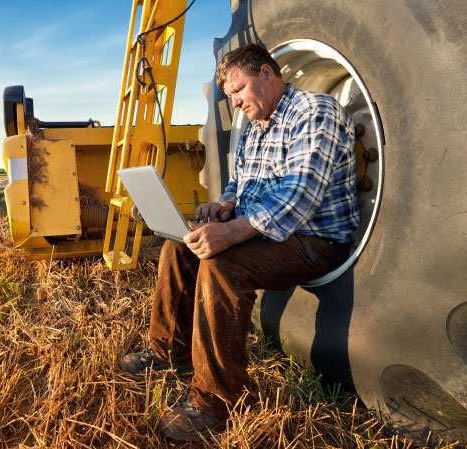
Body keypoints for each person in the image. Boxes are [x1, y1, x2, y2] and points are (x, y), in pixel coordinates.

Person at [119, 43, 360, 442]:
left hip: (314, 238)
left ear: (267, 74)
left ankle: (217, 400)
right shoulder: (255, 126)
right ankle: (168, 353)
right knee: (179, 248)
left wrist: (231, 233)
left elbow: (300, 195)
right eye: (229, 96)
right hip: (267, 232)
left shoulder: (315, 112)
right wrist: (225, 205)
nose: (234, 103)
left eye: (238, 90)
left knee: (221, 265)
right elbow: (241, 180)